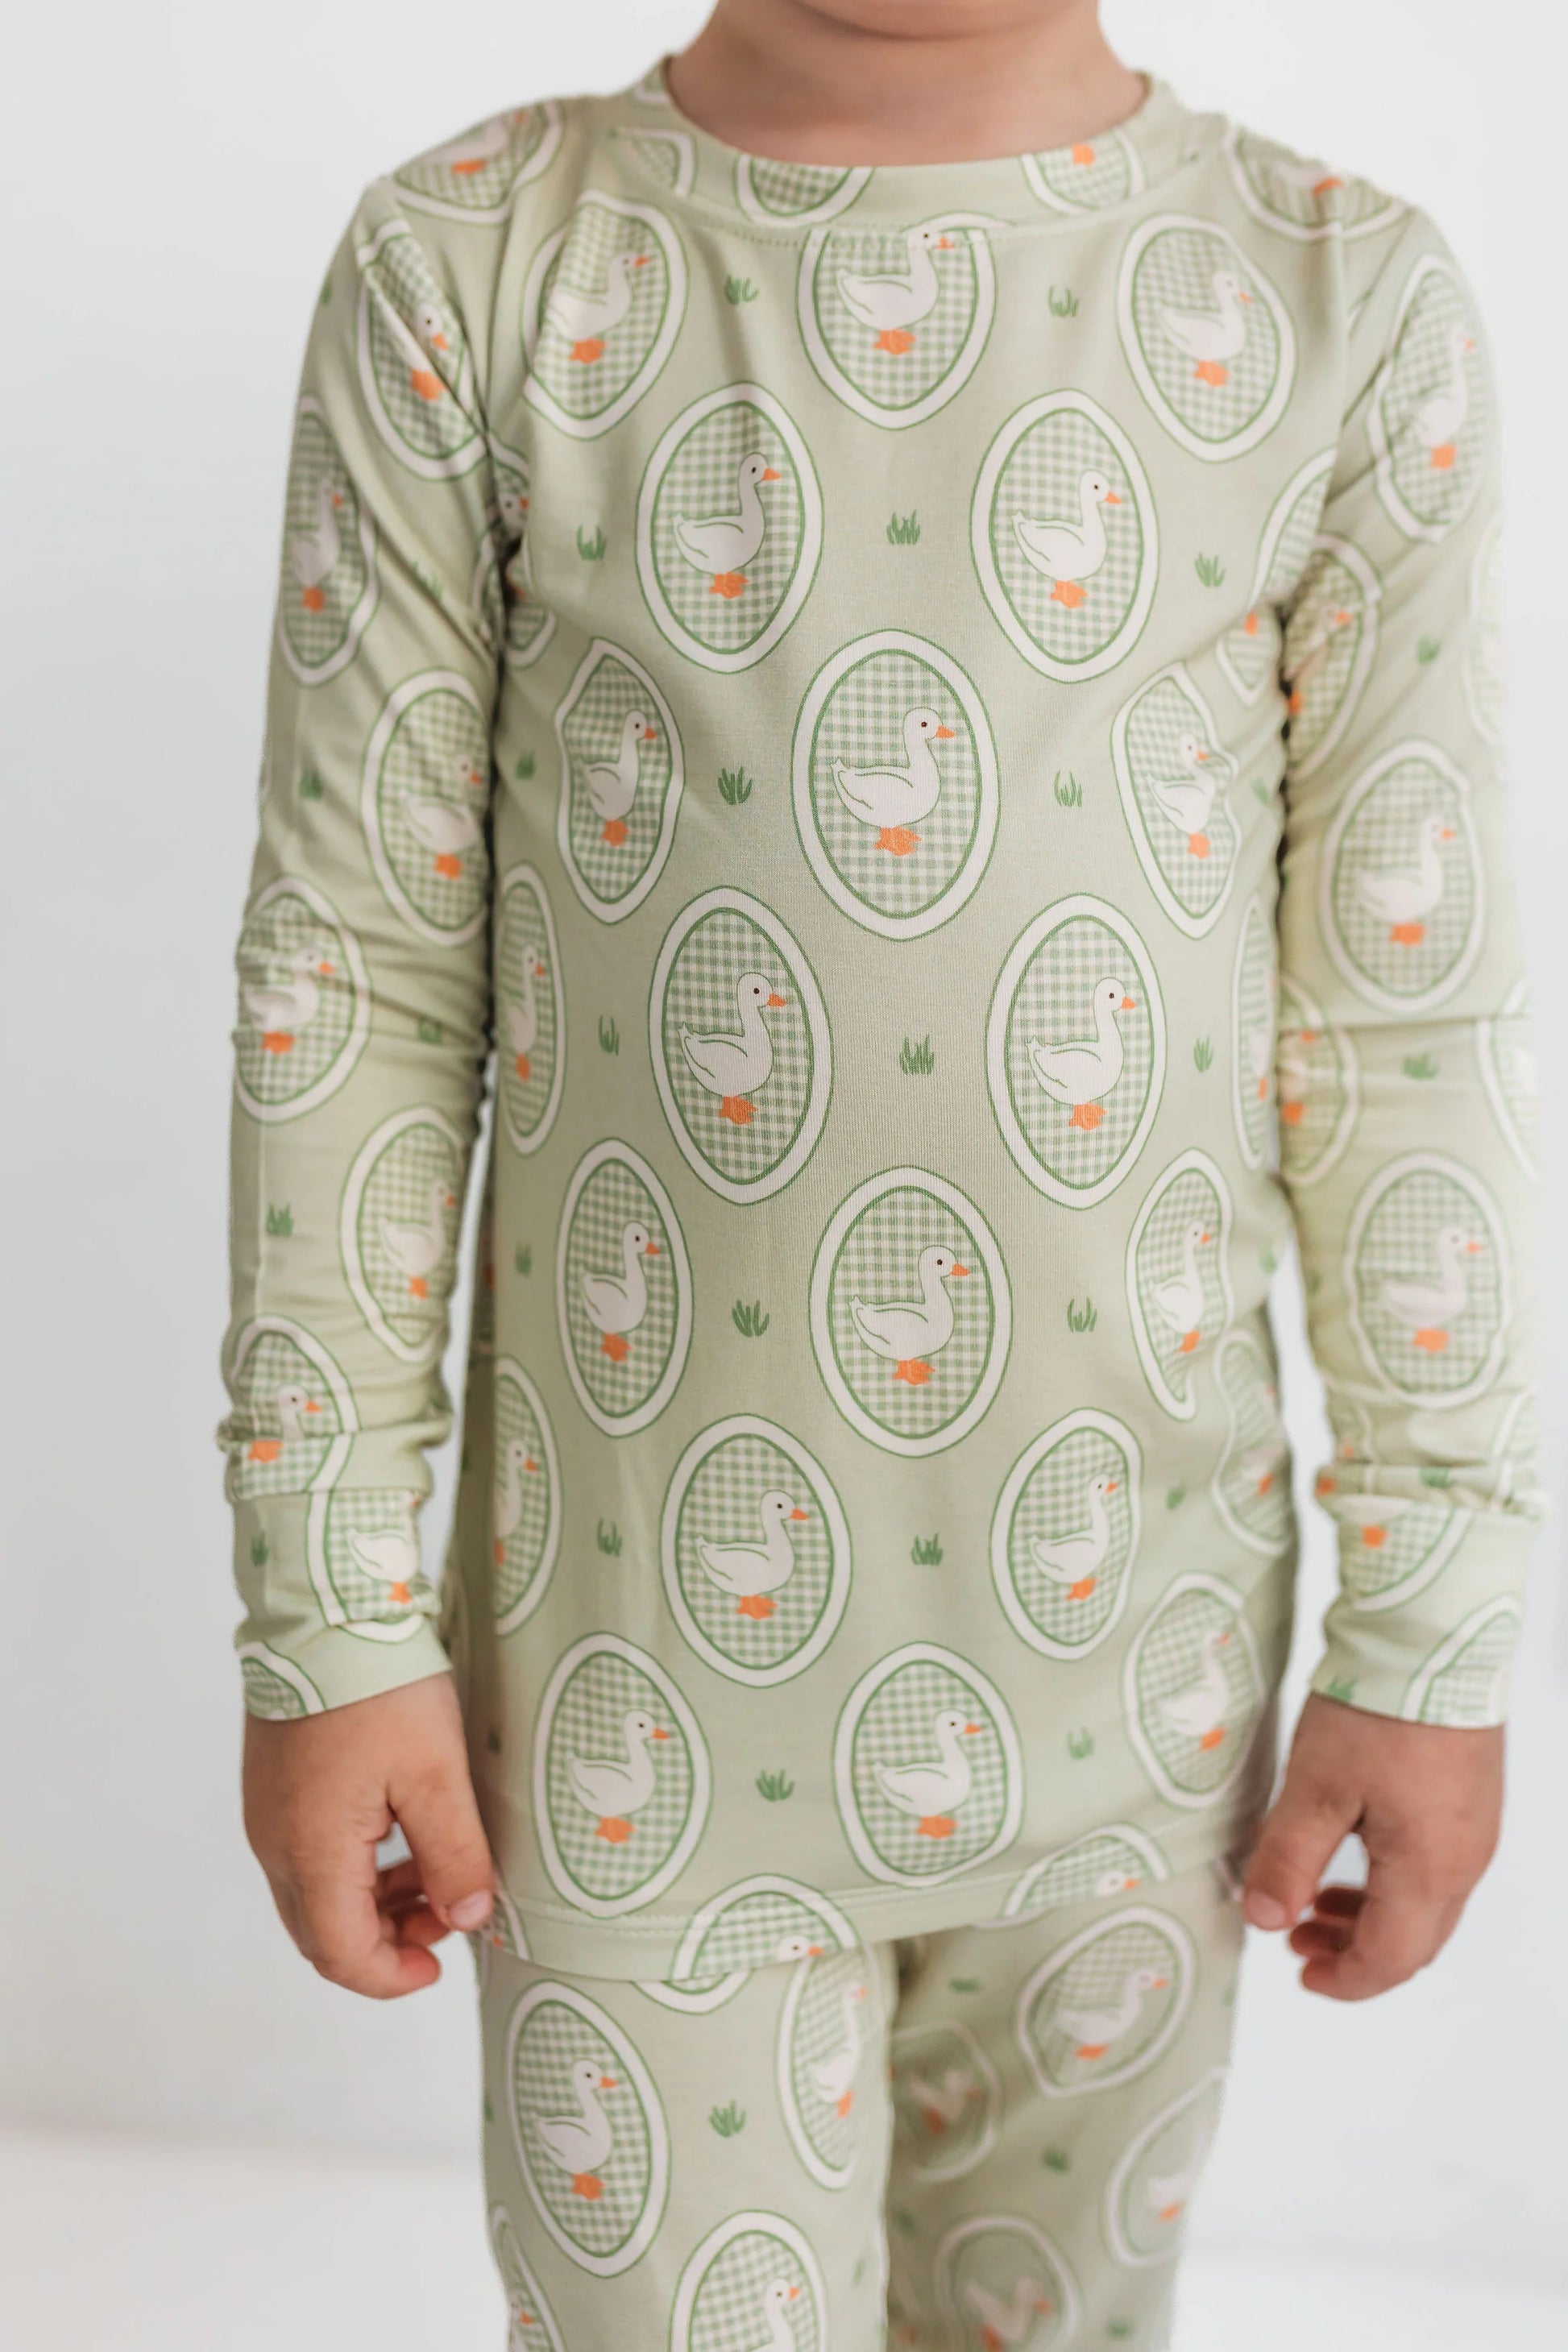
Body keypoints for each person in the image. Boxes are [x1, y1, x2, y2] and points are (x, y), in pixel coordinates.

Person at [221, 2, 1541, 2340]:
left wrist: (1429, 1624)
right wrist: (327, 1609)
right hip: (630, 1714)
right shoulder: (475, 260)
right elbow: (358, 984)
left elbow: (1399, 1023)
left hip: (1142, 1696)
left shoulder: (1338, 295)